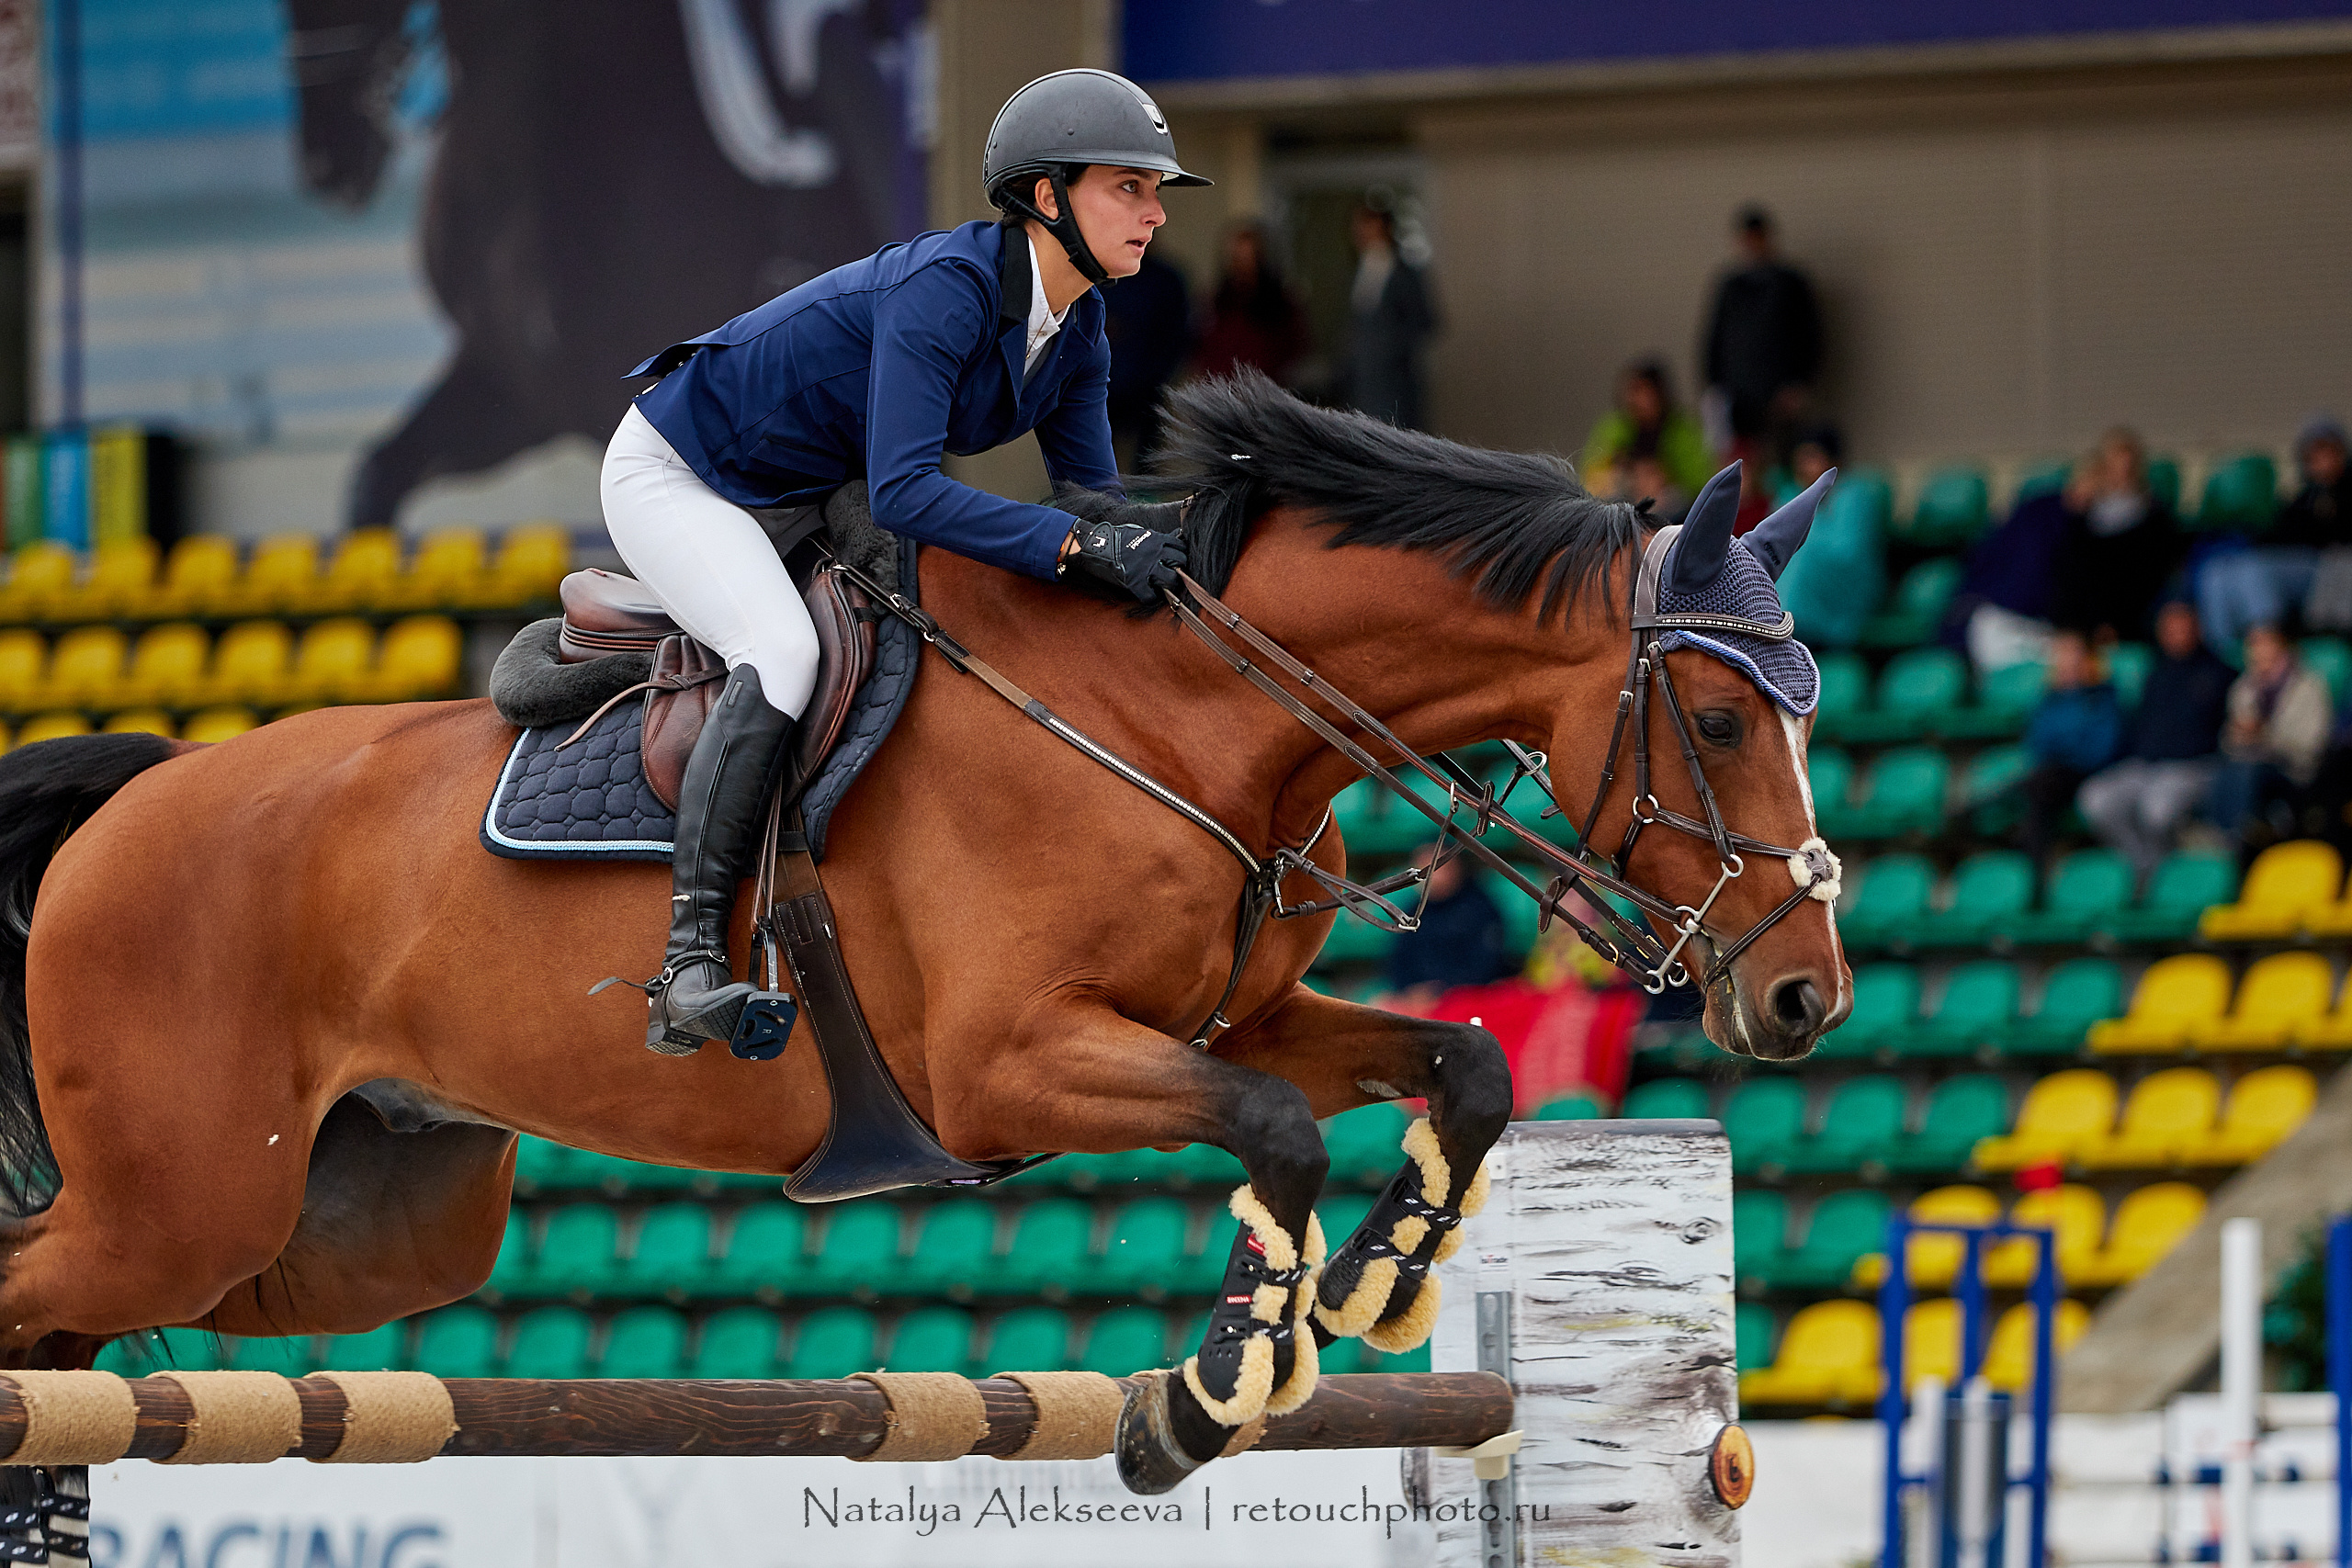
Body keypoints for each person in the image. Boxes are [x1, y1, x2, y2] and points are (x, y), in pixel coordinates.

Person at [602, 69, 1205, 1054]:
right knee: (781, 652)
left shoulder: (1080, 324)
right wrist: (1072, 544)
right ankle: (688, 965)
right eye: (1127, 187)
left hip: (798, 490)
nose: (1153, 215)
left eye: (1155, 193)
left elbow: (1091, 501)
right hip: (683, 474)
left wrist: (1194, 537)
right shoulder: (946, 290)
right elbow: (908, 495)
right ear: (1046, 197)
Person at [2076, 602, 2236, 879]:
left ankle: (2166, 879)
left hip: (2194, 767)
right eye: (2168, 628)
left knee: (2156, 809)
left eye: (2181, 626)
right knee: (2095, 799)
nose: (2174, 633)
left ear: (2197, 627)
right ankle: (2146, 868)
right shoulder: (2154, 673)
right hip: (2144, 766)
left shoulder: (2220, 673)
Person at [2198, 416, 2350, 645]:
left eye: (2327, 453)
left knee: (2253, 569)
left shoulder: (2343, 493)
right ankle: (2224, 651)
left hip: (2325, 568)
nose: (2320, 461)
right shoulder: (2304, 497)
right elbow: (2282, 535)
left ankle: (2269, 640)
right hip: (2293, 562)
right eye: (2314, 455)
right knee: (2217, 572)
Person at [1701, 206, 1822, 457]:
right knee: (1738, 457)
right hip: (1737, 395)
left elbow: (1810, 336)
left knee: (1780, 455)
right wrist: (1713, 385)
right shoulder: (1731, 286)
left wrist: (1800, 383)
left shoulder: (1791, 283)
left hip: (1778, 393)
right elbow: (1715, 338)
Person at [2049, 427, 2185, 644]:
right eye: (2115, 467)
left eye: (2128, 468)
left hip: (2130, 608)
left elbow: (2149, 574)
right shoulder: (2083, 518)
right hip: (2089, 609)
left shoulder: (2153, 516)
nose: (2121, 475)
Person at [2211, 622, 2333, 851]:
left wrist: (2264, 735)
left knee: (2246, 773)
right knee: (2222, 771)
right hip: (2252, 763)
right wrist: (2239, 735)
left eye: (2264, 645)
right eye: (2253, 646)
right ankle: (2224, 838)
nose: (2258, 652)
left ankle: (2234, 842)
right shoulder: (2243, 688)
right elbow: (2226, 743)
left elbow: (2312, 746)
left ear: (2282, 649)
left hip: (2295, 769)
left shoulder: (2309, 687)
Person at [2016, 630, 2123, 873]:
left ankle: (2033, 870)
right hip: (2051, 776)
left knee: (2037, 785)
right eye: (2063, 656)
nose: (2068, 663)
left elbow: (2101, 750)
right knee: (2039, 784)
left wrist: (2066, 750)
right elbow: (2037, 744)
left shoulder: (2102, 697)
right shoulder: (2049, 700)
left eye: (2074, 656)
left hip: (2089, 774)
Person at [1770, 426, 1883, 649]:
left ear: (1835, 461)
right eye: (1799, 460)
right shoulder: (1789, 495)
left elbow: (1847, 554)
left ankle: (1783, 624)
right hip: (1803, 592)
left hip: (1841, 596)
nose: (1803, 467)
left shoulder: (1854, 495)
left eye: (1812, 458)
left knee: (1800, 558)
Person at [1340, 202, 1437, 430]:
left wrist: (1388, 347)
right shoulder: (1361, 269)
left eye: (1367, 226)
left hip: (1394, 383)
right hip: (1363, 383)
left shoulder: (1404, 273)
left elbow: (1425, 322)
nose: (1361, 234)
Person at [1380, 849, 1514, 1007]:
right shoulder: (1413, 911)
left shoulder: (1481, 908)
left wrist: (1439, 991)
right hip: (1419, 998)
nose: (1432, 876)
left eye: (1438, 867)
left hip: (1467, 996)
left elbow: (1484, 966)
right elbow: (1399, 961)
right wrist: (1409, 991)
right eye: (1424, 868)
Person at [1102, 248, 1192, 468]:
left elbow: (1177, 334)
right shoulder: (1103, 276)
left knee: (1145, 467)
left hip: (1148, 389)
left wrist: (1158, 376)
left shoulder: (1165, 280)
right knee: (1097, 467)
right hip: (1103, 387)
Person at [1193, 220, 1308, 386]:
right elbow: (1202, 347)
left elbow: (1294, 347)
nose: (1241, 264)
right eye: (1236, 257)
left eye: (1248, 256)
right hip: (1222, 393)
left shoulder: (1279, 303)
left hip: (1265, 392)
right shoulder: (1217, 301)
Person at [1580, 358, 1713, 502]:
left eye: (1645, 391)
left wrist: (1666, 477)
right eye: (1634, 391)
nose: (1639, 400)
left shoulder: (1682, 432)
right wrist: (1627, 476)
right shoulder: (1613, 428)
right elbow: (1591, 477)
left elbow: (1701, 481)